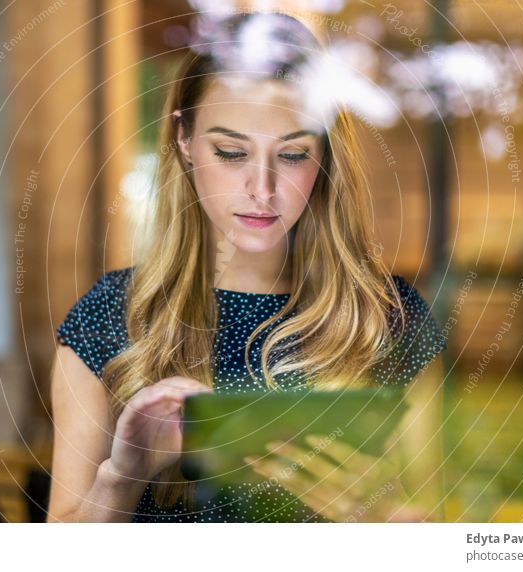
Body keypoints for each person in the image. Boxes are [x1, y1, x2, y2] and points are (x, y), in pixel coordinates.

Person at [46, 11, 447, 523]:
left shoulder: (389, 320)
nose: (262, 189)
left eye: (294, 154)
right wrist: (121, 478)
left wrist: (382, 521)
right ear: (184, 139)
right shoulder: (108, 318)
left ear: (325, 156)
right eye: (232, 152)